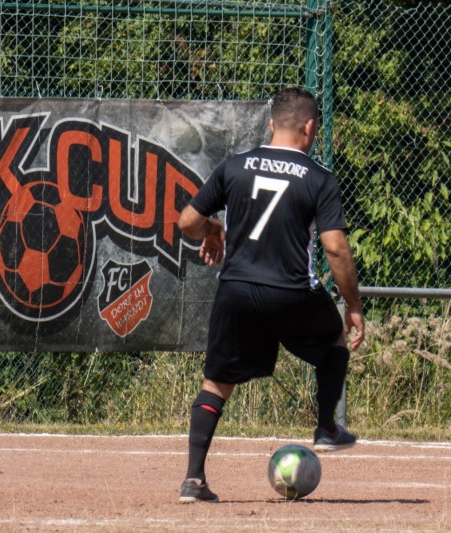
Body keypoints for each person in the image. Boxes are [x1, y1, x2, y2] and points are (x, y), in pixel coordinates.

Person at [176, 87, 365, 503]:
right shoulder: (319, 178)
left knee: (216, 382)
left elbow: (187, 221)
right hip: (291, 290)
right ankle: (326, 427)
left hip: (236, 289)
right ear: (311, 127)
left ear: (271, 124)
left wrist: (214, 230)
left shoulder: (235, 167)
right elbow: (335, 247)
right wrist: (353, 305)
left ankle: (193, 480)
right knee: (334, 335)